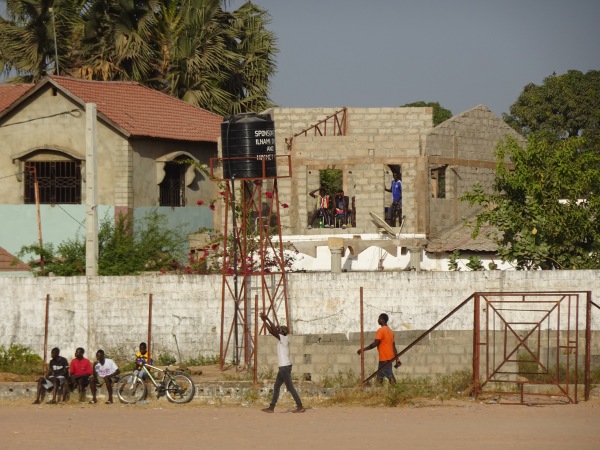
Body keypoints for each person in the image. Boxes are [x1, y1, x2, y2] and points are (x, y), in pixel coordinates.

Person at [259, 312, 305, 413]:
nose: (278, 331)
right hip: (283, 367)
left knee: (290, 387)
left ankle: (300, 406)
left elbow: (274, 331)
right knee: (276, 386)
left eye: (280, 330)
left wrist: (267, 319)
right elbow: (272, 331)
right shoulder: (281, 338)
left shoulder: (284, 339)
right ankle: (271, 407)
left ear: (283, 332)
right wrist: (264, 321)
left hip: (285, 367)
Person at [357, 313, 401, 385]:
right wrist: (397, 358)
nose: (378, 320)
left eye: (378, 318)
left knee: (390, 375)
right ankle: (377, 392)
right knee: (379, 377)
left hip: (384, 358)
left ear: (382, 320)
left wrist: (363, 349)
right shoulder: (390, 331)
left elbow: (375, 343)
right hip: (389, 358)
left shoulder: (381, 330)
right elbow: (393, 347)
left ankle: (396, 391)